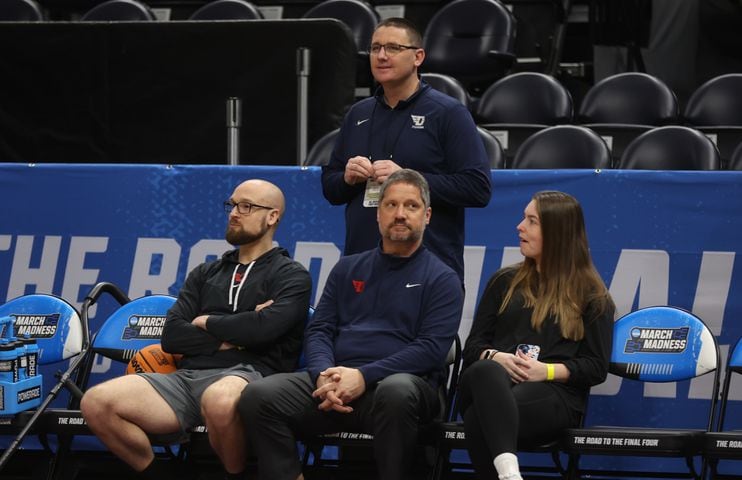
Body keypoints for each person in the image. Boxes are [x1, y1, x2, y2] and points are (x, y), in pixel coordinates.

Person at [238, 169, 463, 480]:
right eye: (390, 205)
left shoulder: (442, 278)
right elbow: (319, 330)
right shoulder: (347, 268)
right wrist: (321, 376)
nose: (400, 214)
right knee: (258, 396)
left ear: (427, 216)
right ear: (377, 214)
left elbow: (430, 350)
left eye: (411, 206)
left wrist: (363, 375)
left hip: (402, 387)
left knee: (397, 391)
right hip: (334, 384)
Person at [80, 179, 312, 480]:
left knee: (219, 399)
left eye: (246, 206)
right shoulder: (205, 273)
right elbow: (172, 336)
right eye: (231, 205)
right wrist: (235, 332)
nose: (234, 213)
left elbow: (264, 331)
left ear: (272, 216)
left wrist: (207, 322)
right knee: (96, 403)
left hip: (250, 375)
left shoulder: (291, 274)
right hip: (185, 379)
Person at [458, 190, 615, 480]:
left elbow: (596, 366)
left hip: (553, 395)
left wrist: (548, 371)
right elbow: (473, 347)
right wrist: (497, 357)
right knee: (485, 371)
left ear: (557, 233)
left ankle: (507, 473)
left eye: (531, 221)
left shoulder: (592, 296)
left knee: (480, 418)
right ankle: (510, 474)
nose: (519, 226)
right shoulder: (504, 282)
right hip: (484, 383)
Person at [321, 17, 492, 283]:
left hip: (427, 270)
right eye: (375, 48)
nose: (381, 56)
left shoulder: (448, 113)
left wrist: (409, 180)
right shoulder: (358, 113)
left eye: (393, 48)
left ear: (418, 57)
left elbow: (477, 188)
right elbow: (330, 187)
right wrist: (346, 177)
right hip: (361, 266)